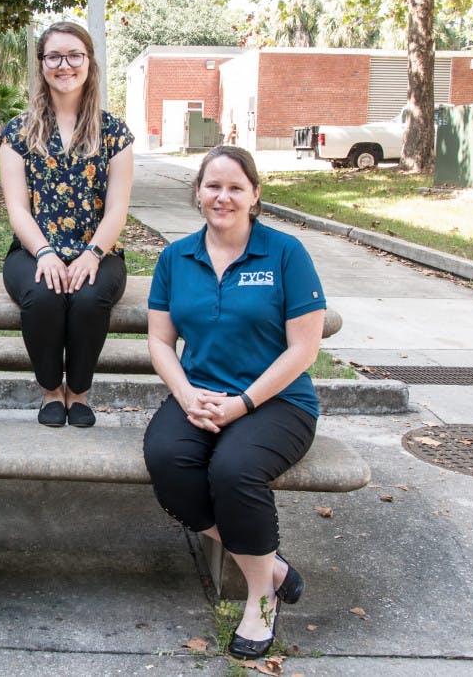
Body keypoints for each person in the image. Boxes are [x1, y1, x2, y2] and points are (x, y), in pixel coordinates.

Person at [142, 146, 326, 660]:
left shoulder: (285, 253)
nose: (223, 196)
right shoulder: (176, 257)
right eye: (213, 186)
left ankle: (260, 597)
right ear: (198, 192)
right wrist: (185, 394)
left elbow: (304, 348)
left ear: (255, 195)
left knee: (234, 471)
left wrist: (242, 403)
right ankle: (272, 566)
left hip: (277, 403)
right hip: (199, 394)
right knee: (167, 461)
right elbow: (161, 341)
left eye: (235, 187)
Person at [0, 21, 134, 429]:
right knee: (44, 295)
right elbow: (18, 209)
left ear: (89, 63)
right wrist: (45, 253)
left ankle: (79, 393)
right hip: (32, 250)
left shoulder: (114, 133)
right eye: (54, 56)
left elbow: (117, 210)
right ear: (41, 65)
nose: (65, 65)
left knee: (89, 299)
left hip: (100, 250)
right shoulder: (17, 132)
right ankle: (50, 393)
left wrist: (92, 254)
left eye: (74, 55)